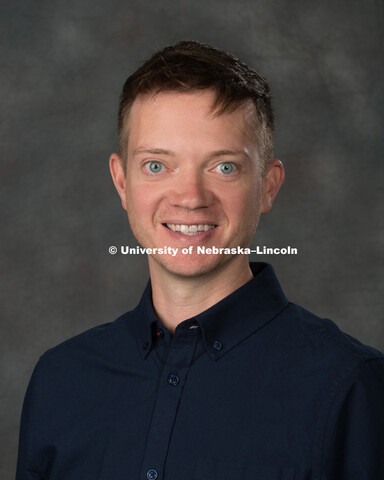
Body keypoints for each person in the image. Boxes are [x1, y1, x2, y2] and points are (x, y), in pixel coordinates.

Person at [16, 41, 384, 480]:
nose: (190, 198)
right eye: (156, 166)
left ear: (268, 186)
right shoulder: (61, 380)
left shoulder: (350, 386)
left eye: (224, 167)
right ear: (121, 182)